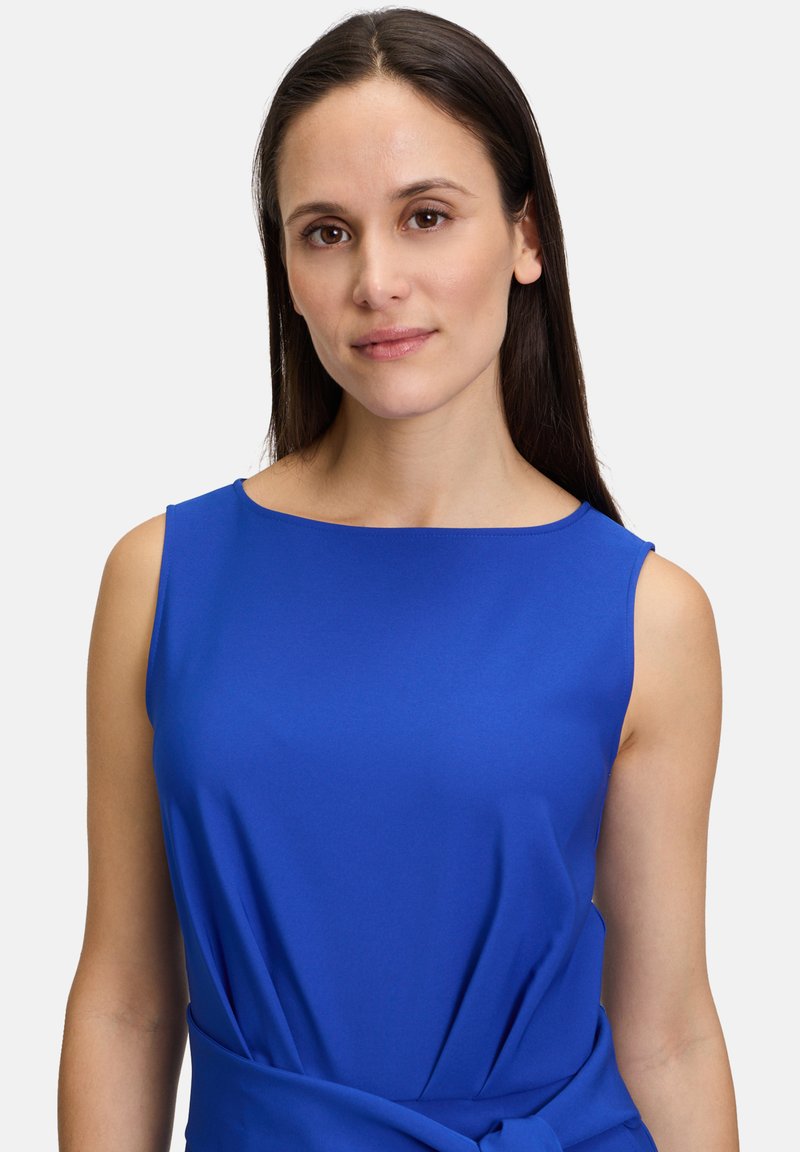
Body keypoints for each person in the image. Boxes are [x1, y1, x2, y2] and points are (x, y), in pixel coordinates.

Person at [58, 8, 739, 1151]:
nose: (376, 280)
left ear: (525, 238)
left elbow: (666, 1033)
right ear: (284, 268)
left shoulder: (648, 615)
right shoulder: (161, 577)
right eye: (325, 233)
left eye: (425, 217)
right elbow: (125, 1001)